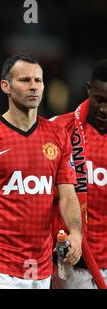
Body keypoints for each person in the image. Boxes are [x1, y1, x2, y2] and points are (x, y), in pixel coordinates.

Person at [0, 54, 83, 289]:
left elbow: (67, 195)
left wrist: (75, 233)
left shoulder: (58, 136)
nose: (33, 86)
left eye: (38, 80)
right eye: (25, 80)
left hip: (41, 266)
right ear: (6, 86)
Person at [50, 60, 107, 289]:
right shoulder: (58, 130)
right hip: (71, 262)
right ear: (87, 89)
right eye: (99, 100)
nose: (105, 110)